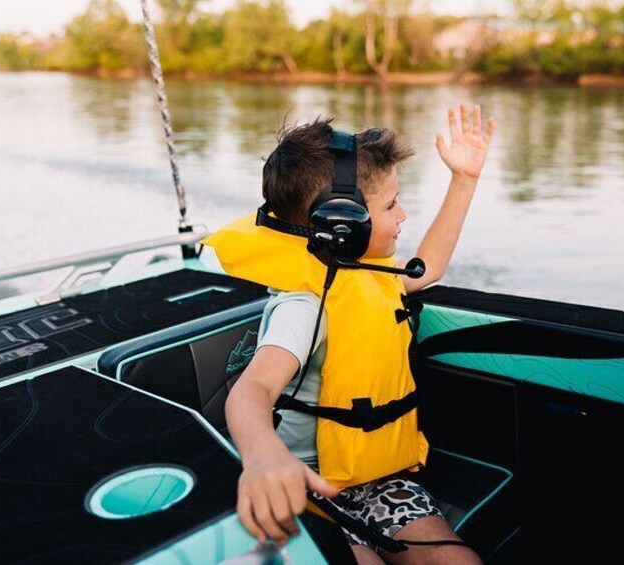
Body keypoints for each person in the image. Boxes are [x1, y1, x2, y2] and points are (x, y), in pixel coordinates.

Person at [206, 103, 494, 564]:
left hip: (376, 478)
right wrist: (263, 457)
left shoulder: (367, 276)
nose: (402, 216)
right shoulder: (303, 305)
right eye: (390, 205)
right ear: (342, 227)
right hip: (305, 488)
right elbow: (252, 390)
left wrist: (465, 180)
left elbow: (430, 267)